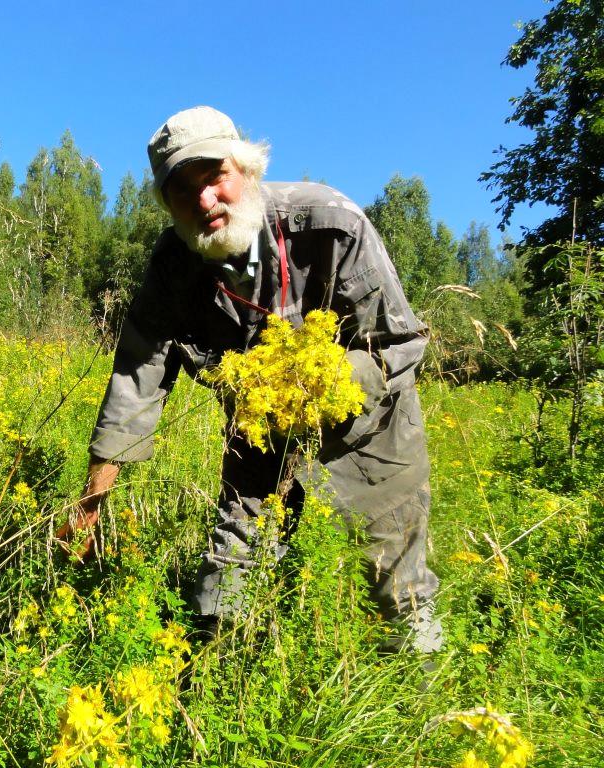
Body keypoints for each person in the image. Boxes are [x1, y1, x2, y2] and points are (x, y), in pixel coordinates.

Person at [56, 106, 442, 654]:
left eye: (214, 177)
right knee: (228, 574)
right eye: (181, 192)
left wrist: (323, 386)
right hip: (259, 436)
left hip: (373, 427)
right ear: (165, 206)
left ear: (247, 170)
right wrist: (91, 504)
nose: (205, 202)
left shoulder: (331, 223)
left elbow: (398, 344)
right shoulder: (175, 266)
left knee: (396, 584)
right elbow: (136, 376)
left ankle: (421, 707)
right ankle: (210, 690)